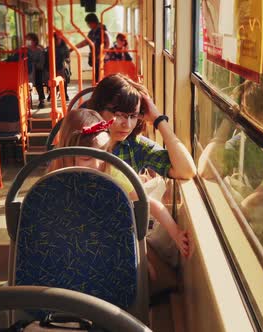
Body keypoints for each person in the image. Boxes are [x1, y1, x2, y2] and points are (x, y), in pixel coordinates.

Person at [49, 109, 191, 279]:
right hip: (70, 247)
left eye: (102, 154)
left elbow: (149, 203)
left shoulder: (112, 171)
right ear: (67, 154)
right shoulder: (54, 180)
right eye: (86, 158)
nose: (96, 164)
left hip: (109, 246)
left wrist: (175, 233)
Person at [87, 74, 196, 180]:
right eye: (119, 115)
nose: (127, 125)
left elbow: (186, 171)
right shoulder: (79, 138)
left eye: (133, 116)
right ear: (98, 109)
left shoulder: (136, 147)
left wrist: (158, 119)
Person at [73, 13, 110, 83]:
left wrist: (103, 54)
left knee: (102, 77)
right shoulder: (92, 32)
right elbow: (86, 42)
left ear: (92, 22)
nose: (88, 25)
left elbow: (108, 43)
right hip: (96, 58)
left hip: (103, 59)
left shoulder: (103, 30)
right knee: (97, 77)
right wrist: (73, 48)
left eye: (88, 23)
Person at [25, 33, 46, 109]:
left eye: (29, 40)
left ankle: (41, 100)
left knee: (38, 84)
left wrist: (33, 64)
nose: (27, 41)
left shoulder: (39, 50)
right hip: (27, 70)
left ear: (34, 41)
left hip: (37, 70)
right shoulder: (26, 50)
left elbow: (41, 63)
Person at [53, 30, 71, 102]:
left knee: (64, 79)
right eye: (56, 39)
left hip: (62, 66)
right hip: (54, 66)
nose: (58, 40)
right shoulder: (51, 48)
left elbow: (67, 58)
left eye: (59, 38)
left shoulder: (64, 48)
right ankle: (53, 93)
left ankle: (65, 93)